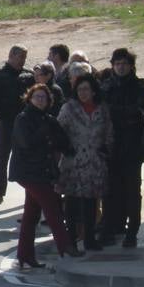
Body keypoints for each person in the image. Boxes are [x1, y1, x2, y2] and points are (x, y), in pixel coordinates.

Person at [9, 83, 76, 268]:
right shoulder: (23, 118)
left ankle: (25, 255)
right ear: (29, 98)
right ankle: (65, 246)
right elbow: (26, 144)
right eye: (37, 97)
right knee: (53, 208)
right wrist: (46, 134)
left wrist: (66, 147)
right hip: (28, 172)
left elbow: (62, 140)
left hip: (42, 172)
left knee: (31, 215)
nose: (40, 100)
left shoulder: (48, 119)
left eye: (43, 97)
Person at [100, 48, 144, 248]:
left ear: (131, 66)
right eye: (117, 63)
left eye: (124, 64)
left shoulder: (139, 86)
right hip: (112, 146)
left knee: (132, 191)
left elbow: (136, 110)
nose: (121, 67)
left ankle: (132, 232)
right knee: (111, 190)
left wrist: (118, 113)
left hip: (132, 145)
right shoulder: (105, 86)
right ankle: (112, 228)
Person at [56, 73, 112, 252]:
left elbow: (109, 132)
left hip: (95, 162)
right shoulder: (68, 109)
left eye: (86, 89)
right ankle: (70, 240)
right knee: (71, 202)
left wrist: (106, 148)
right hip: (74, 162)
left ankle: (89, 239)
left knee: (91, 202)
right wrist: (66, 148)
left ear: (94, 91)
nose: (83, 93)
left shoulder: (102, 109)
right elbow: (58, 130)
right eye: (79, 89)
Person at [0, 45, 32, 207]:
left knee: (27, 158)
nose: (23, 61)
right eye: (20, 57)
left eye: (24, 58)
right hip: (7, 123)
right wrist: (0, 117)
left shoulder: (29, 75)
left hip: (25, 125)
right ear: (11, 55)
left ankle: (31, 193)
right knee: (2, 158)